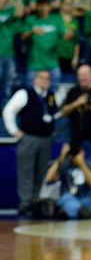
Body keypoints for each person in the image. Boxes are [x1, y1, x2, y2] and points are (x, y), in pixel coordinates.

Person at [2, 69, 56, 216]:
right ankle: (25, 203)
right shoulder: (25, 93)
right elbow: (8, 111)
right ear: (35, 79)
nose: (44, 80)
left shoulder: (50, 95)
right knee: (26, 171)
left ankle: (35, 202)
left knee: (40, 172)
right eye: (41, 77)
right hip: (29, 139)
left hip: (45, 139)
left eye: (47, 78)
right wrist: (14, 131)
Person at [44, 141, 91, 219]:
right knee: (68, 201)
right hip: (69, 198)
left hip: (87, 200)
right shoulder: (64, 164)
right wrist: (61, 156)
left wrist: (81, 163)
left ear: (83, 153)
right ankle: (84, 212)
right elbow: (49, 178)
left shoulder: (90, 165)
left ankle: (81, 212)